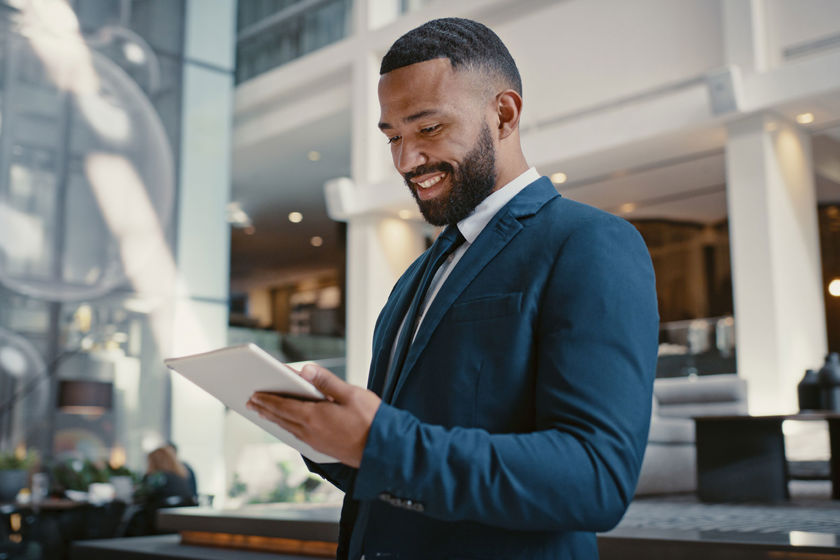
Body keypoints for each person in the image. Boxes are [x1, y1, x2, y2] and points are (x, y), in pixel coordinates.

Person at [247, 17, 658, 559]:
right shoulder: (417, 276)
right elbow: (400, 475)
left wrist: (379, 442)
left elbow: (594, 479)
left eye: (428, 129)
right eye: (393, 136)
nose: (405, 160)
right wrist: (324, 437)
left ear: (504, 114)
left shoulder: (590, 244)